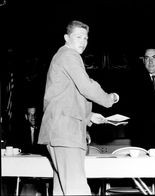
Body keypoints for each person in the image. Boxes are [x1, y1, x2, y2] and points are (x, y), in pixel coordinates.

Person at [38, 20, 119, 195]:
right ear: (67, 38)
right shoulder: (69, 55)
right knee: (77, 190)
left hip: (58, 133)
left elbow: (65, 97)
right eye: (78, 37)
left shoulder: (61, 57)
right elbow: (86, 86)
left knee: (63, 190)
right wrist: (109, 98)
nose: (83, 41)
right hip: (66, 134)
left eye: (86, 38)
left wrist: (89, 116)